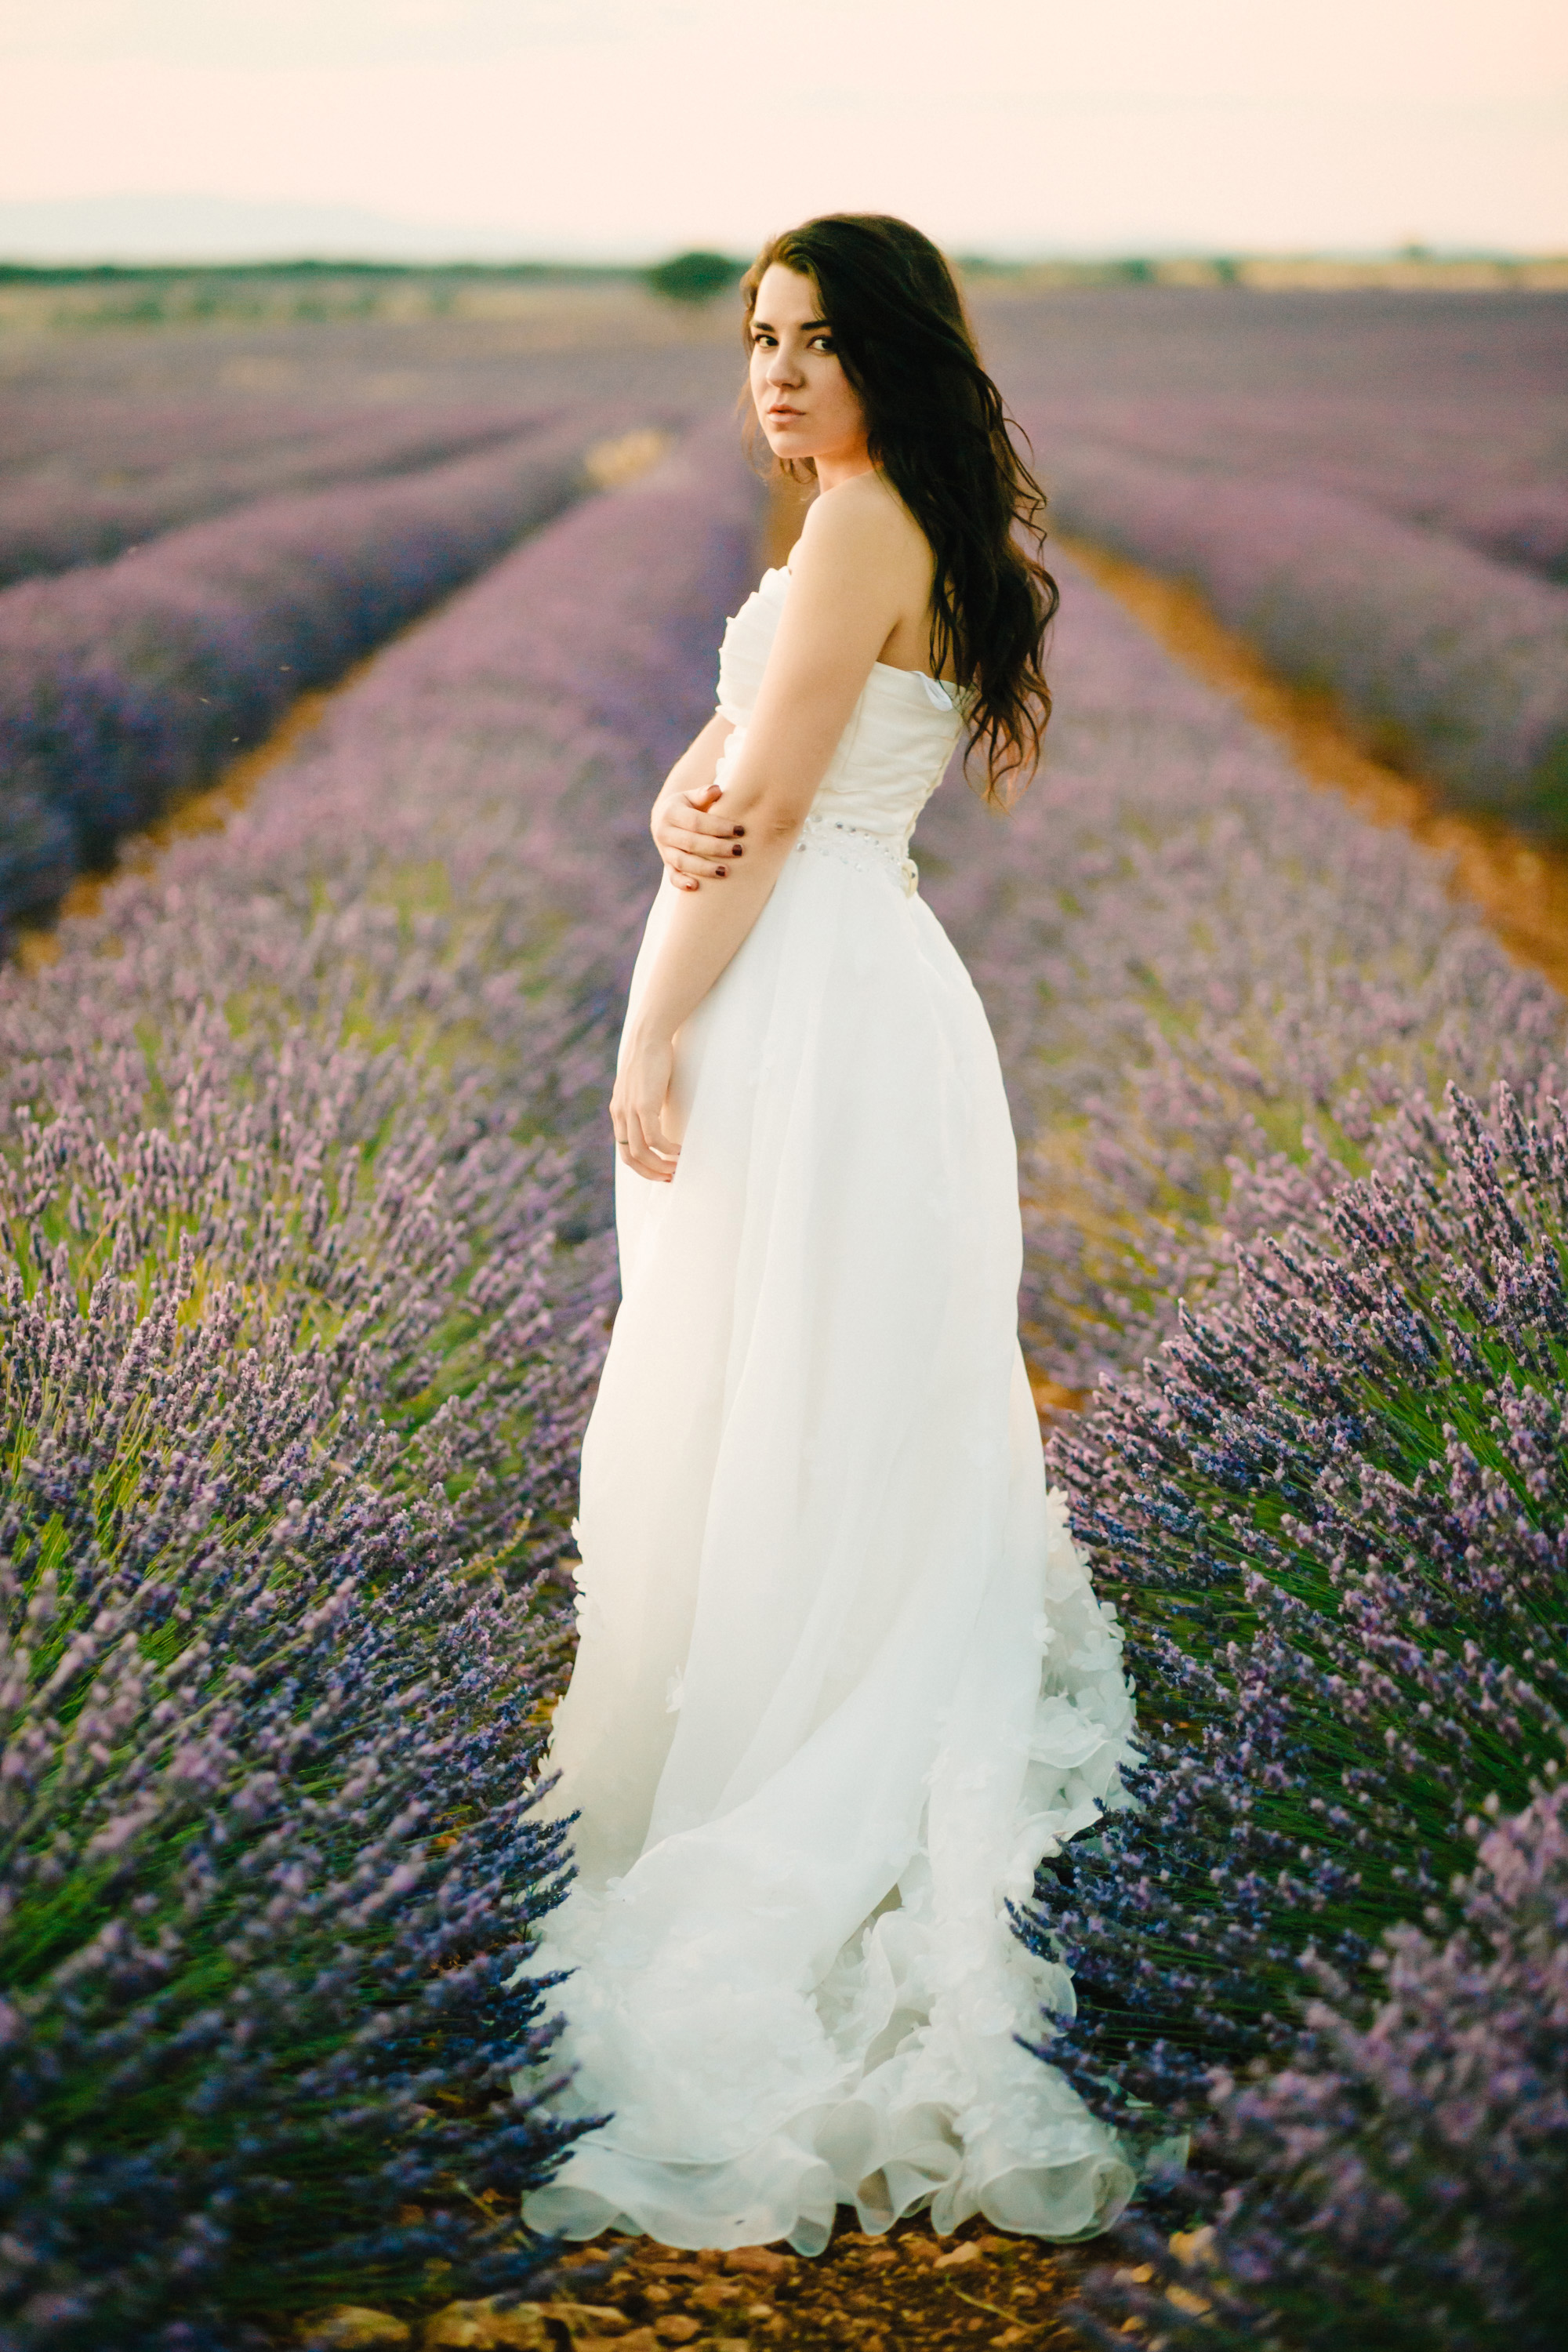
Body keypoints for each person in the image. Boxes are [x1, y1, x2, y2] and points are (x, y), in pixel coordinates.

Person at [518, 214, 1136, 2257]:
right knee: (813, 1386)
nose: (776, 375)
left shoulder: (862, 525)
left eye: (818, 341)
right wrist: (675, 820)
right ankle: (796, 1710)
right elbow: (728, 782)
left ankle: (780, 1775)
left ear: (893, 359)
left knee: (765, 1381)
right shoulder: (879, 525)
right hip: (858, 990)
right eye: (760, 339)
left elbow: (764, 816)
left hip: (801, 1001)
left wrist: (650, 1027)